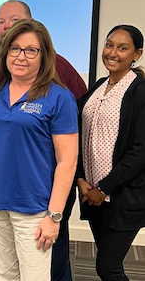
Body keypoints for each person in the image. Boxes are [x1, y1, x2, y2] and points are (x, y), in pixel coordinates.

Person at [0, 0, 87, 281]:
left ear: (43, 55)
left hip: (35, 209)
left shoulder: (58, 97)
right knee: (3, 275)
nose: (20, 56)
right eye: (14, 49)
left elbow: (67, 161)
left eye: (30, 50)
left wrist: (53, 217)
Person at [77, 24, 145, 281]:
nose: (112, 52)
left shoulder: (139, 91)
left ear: (136, 54)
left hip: (122, 197)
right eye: (109, 45)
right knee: (107, 264)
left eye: (122, 47)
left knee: (108, 267)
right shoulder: (98, 86)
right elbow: (81, 136)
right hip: (92, 195)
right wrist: (81, 178)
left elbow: (141, 152)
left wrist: (103, 188)